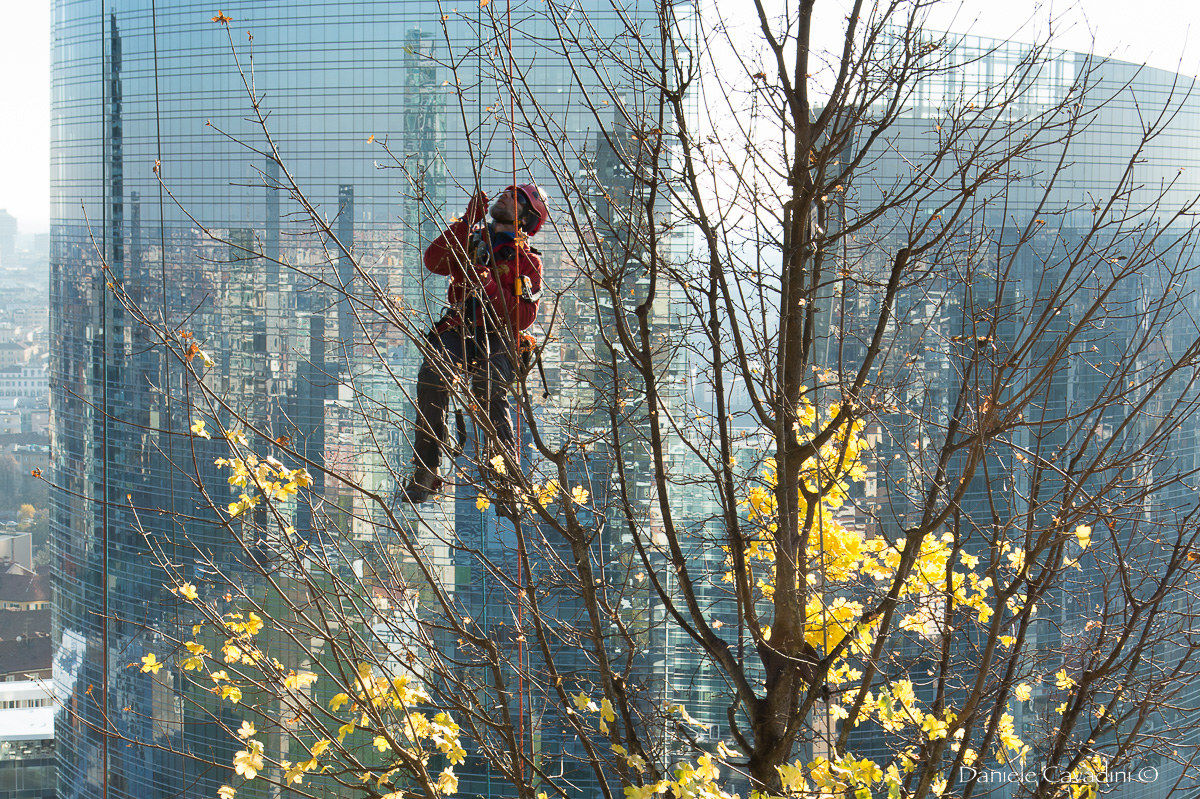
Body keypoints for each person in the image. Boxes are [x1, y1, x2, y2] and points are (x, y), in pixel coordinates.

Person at [399, 183, 549, 505]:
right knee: (432, 375)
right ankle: (427, 467)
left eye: (517, 198)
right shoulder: (472, 238)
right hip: (460, 326)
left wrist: (492, 287)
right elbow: (433, 261)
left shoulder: (528, 262)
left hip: (498, 337)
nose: (506, 196)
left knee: (489, 387)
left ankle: (506, 475)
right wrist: (468, 221)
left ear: (525, 218)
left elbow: (523, 316)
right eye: (507, 191)